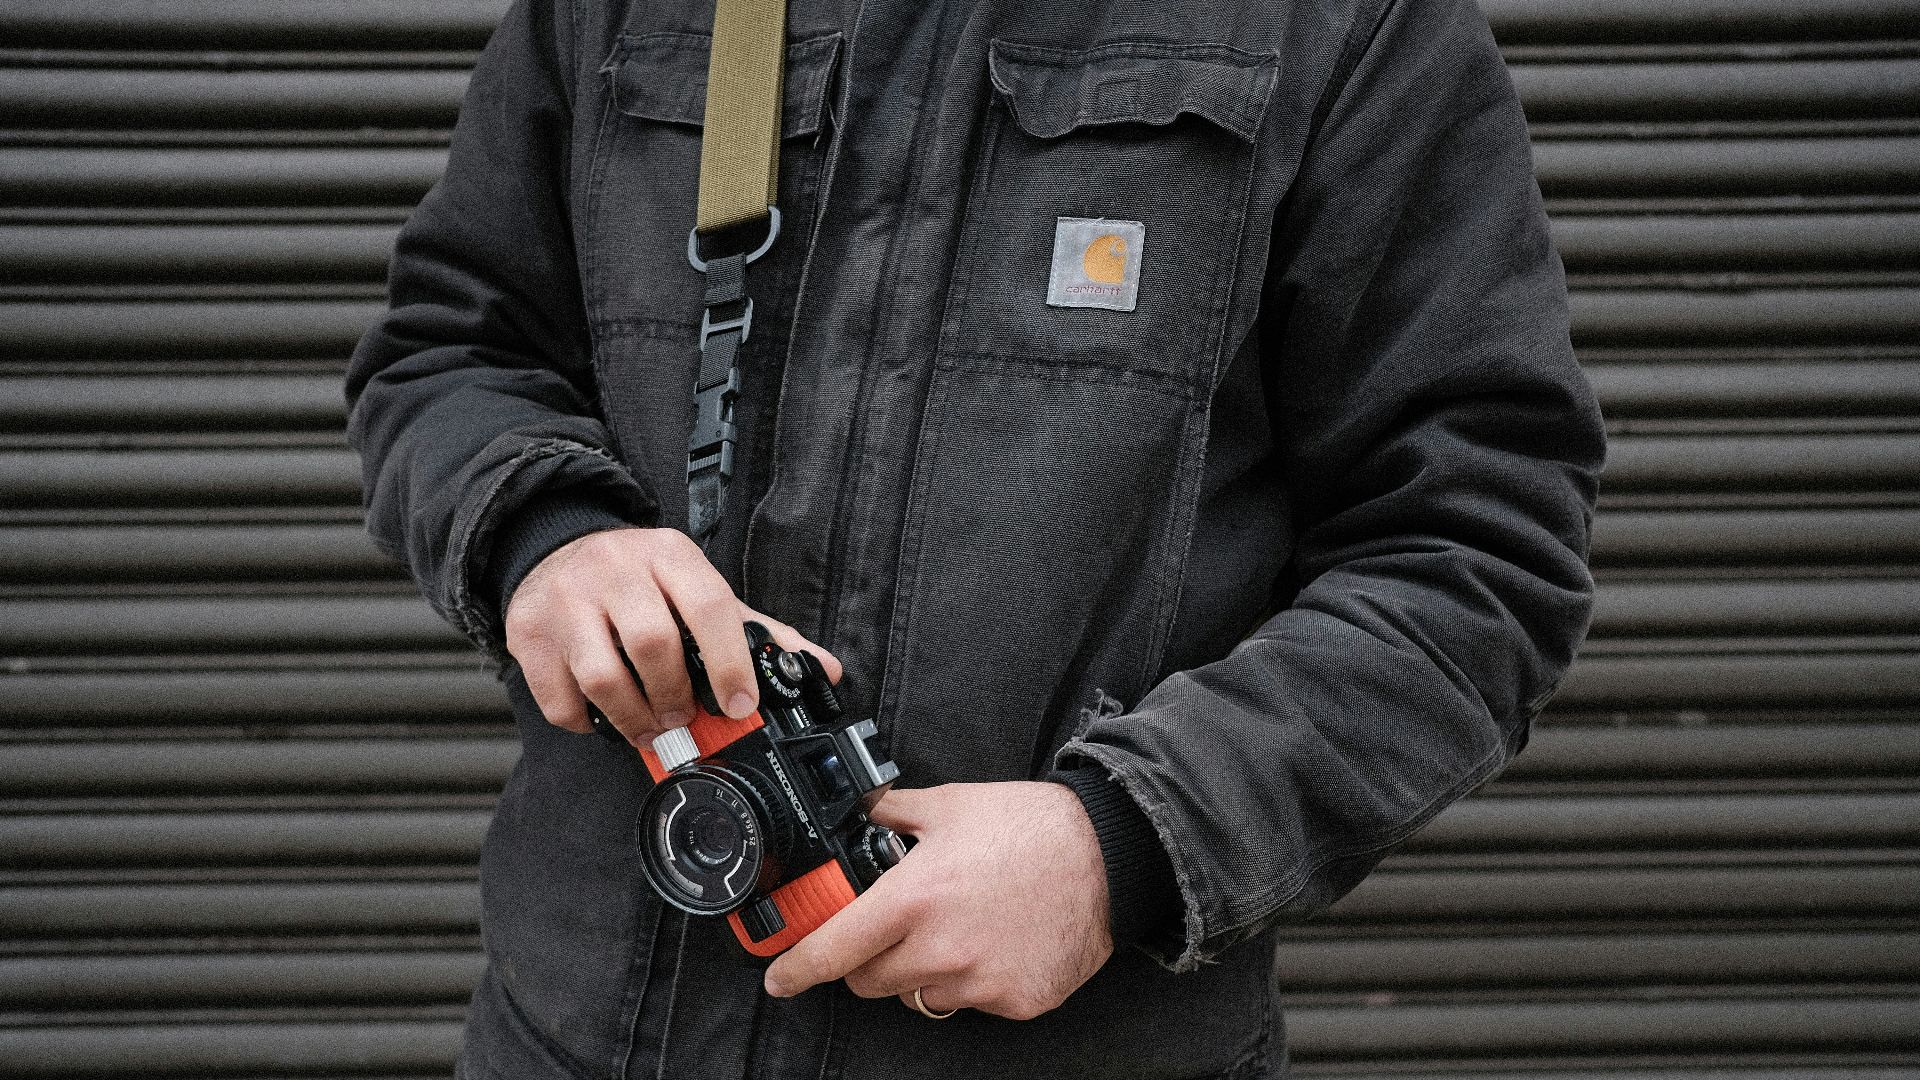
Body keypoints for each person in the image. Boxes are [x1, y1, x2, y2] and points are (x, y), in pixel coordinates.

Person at [345, 0, 1605, 1074]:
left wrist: (1120, 846)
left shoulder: (1350, 25)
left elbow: (1479, 549)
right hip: (572, 1037)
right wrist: (548, 533)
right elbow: (453, 345)